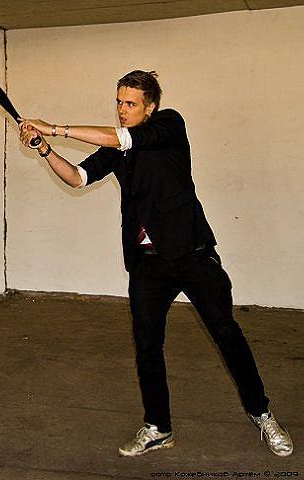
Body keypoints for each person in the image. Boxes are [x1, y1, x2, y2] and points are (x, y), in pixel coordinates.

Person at [18, 70, 293, 458]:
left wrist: (54, 128)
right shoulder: (116, 147)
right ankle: (158, 427)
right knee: (147, 345)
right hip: (147, 263)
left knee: (226, 332)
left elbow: (124, 137)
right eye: (119, 102)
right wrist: (45, 149)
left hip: (191, 252)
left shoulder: (168, 125)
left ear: (150, 108)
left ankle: (262, 414)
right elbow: (77, 178)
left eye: (131, 103)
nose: (122, 109)